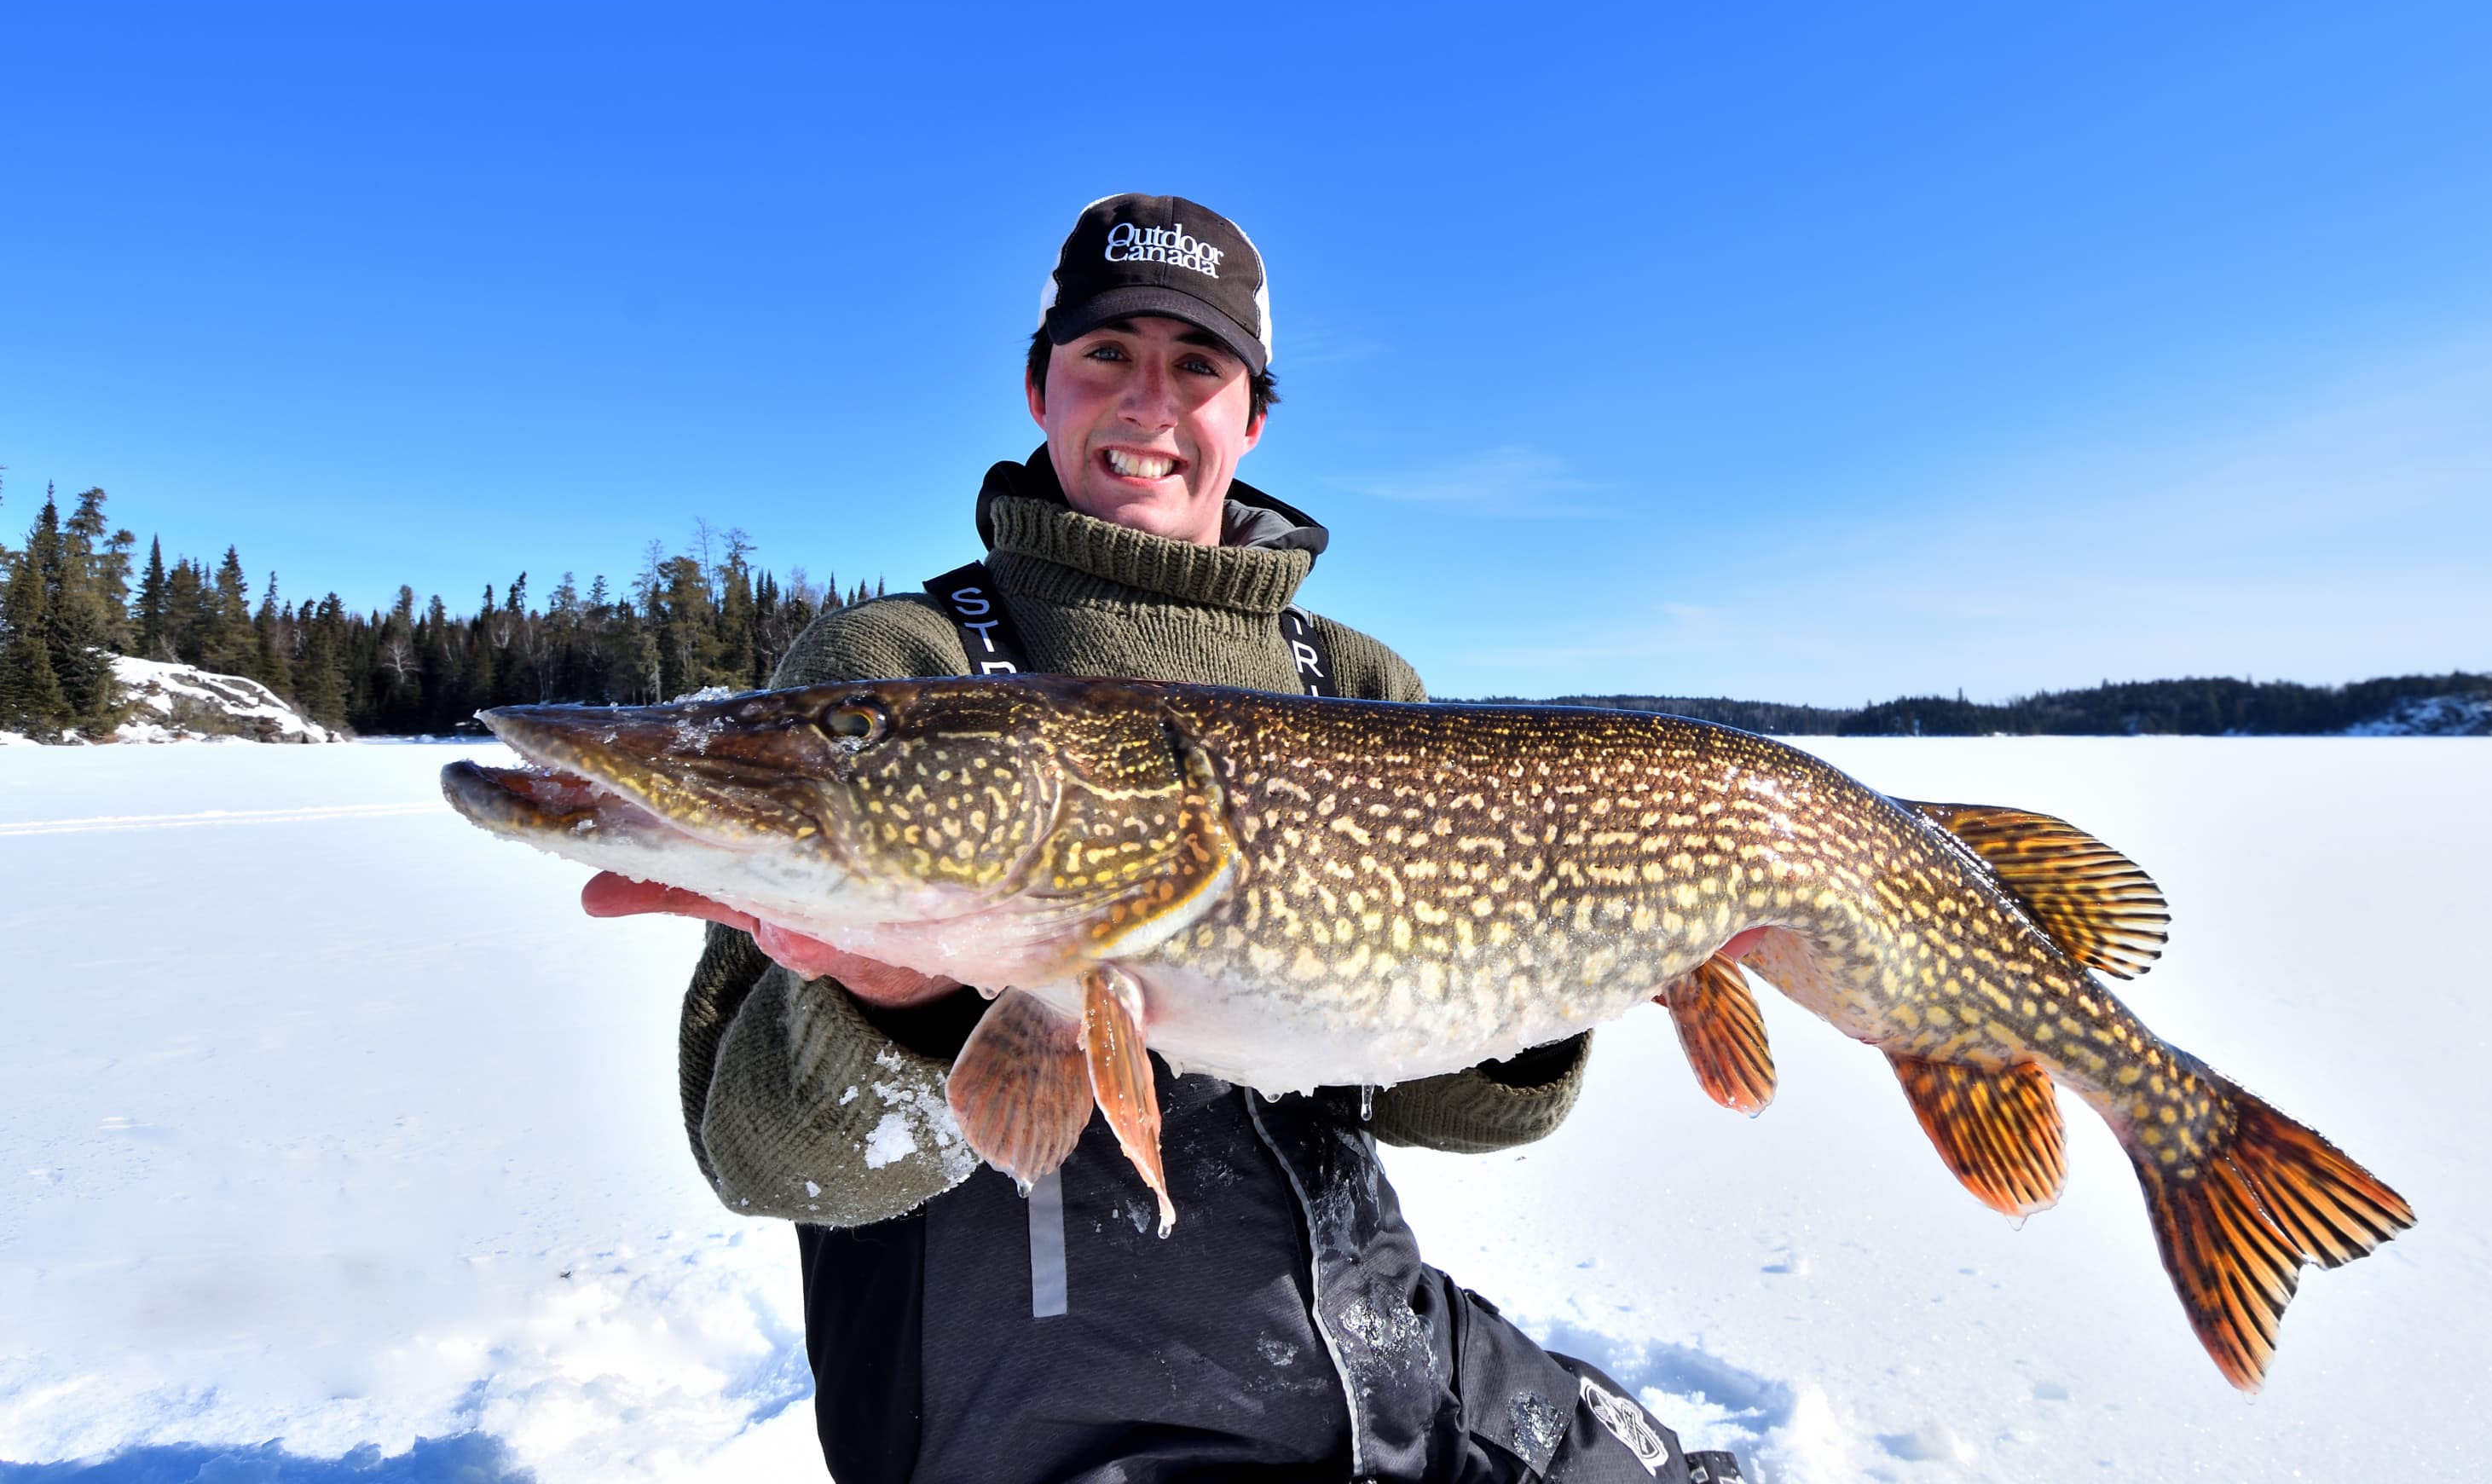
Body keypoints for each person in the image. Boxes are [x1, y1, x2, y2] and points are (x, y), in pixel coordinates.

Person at [590, 194, 1744, 1483]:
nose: (1147, 400)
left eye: (1196, 366)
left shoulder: (1353, 682)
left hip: (1374, 1369)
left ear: (1248, 418)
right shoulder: (901, 670)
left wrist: (1569, 958)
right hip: (1046, 1426)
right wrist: (891, 1000)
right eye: (1103, 355)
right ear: (1039, 389)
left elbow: (1460, 1109)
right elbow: (770, 1162)